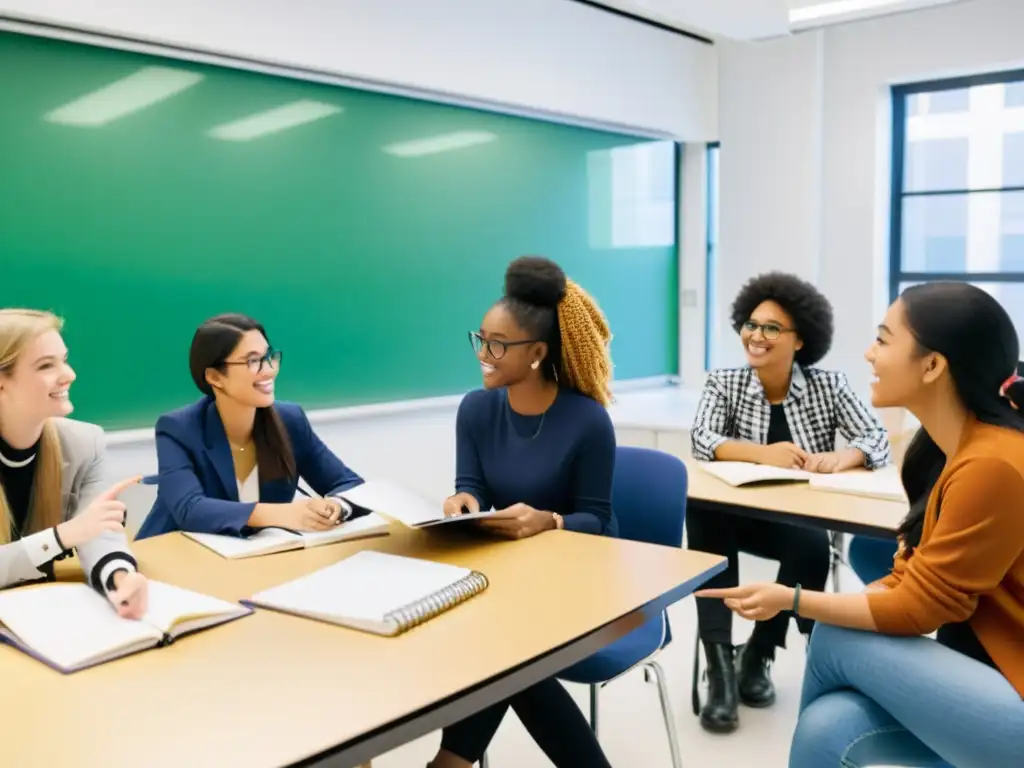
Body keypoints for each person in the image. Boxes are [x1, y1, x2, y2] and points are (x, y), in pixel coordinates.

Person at [699, 282, 1024, 768]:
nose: (869, 353)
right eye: (752, 325)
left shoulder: (992, 464)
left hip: (1012, 684)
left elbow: (921, 608)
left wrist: (790, 599)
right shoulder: (944, 449)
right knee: (829, 725)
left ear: (933, 365)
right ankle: (732, 666)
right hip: (988, 668)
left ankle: (754, 660)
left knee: (835, 632)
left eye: (884, 339)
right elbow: (911, 583)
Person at [427, 256, 616, 768]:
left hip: (581, 577)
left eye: (498, 345)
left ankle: (451, 761)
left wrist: (549, 521)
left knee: (507, 650)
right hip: (511, 579)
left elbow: (598, 520)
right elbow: (471, 486)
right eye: (480, 339)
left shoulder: (587, 420)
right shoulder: (476, 409)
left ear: (536, 352)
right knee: (505, 648)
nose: (483, 354)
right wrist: (461, 502)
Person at [688, 272, 890, 734]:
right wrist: (763, 454)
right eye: (751, 325)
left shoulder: (829, 386)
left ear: (800, 341)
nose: (757, 336)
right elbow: (703, 439)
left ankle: (757, 654)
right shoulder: (725, 382)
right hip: (736, 516)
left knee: (812, 545)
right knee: (702, 514)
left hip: (794, 521)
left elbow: (876, 437)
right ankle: (719, 666)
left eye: (772, 328)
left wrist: (845, 455)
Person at [136, 314, 364, 539]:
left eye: (269, 357)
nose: (269, 371)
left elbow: (350, 484)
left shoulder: (290, 419)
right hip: (176, 556)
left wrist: (337, 506)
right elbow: (190, 509)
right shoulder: (178, 429)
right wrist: (283, 513)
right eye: (253, 361)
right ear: (215, 377)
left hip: (256, 556)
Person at [0, 309, 147, 617]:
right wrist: (61, 537)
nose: (69, 374)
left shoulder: (84, 443)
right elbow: (78, 530)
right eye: (46, 366)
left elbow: (98, 532)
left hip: (43, 616)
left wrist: (120, 577)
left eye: (64, 359)